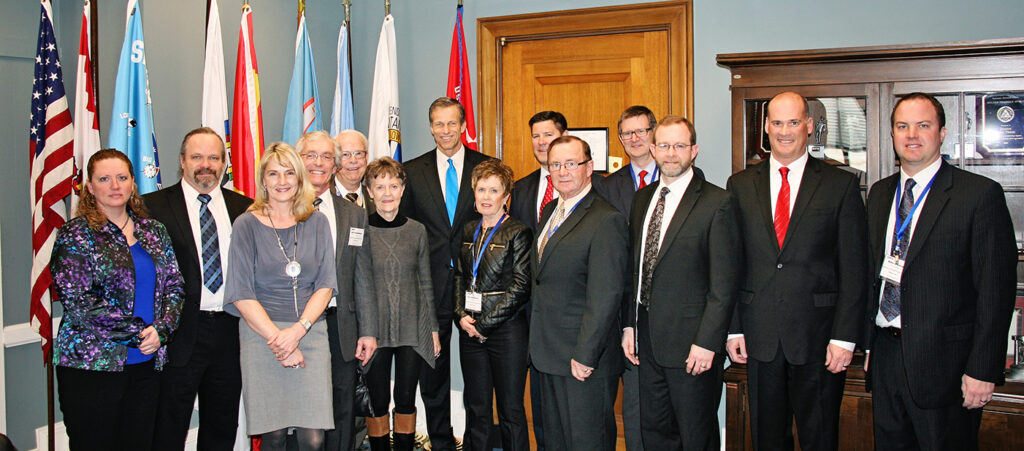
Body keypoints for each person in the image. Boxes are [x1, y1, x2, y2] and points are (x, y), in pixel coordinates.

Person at [864, 92, 1017, 450]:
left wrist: (983, 369)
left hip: (947, 368)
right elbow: (873, 276)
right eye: (902, 126)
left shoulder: (978, 195)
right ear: (892, 134)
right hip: (886, 358)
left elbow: (996, 291)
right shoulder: (880, 194)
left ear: (943, 132)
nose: (912, 135)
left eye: (923, 125)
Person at [726, 91, 868, 450]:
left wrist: (845, 337)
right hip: (760, 338)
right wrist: (733, 329)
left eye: (793, 122)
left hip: (820, 340)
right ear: (765, 128)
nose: (784, 131)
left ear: (808, 126)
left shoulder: (841, 184)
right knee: (767, 440)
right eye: (776, 122)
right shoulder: (740, 185)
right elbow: (732, 263)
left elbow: (854, 268)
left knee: (820, 439)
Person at [50, 149, 185, 450]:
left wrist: (161, 330)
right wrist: (136, 334)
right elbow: (79, 300)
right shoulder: (76, 234)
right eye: (105, 179)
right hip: (91, 367)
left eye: (122, 178)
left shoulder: (154, 231)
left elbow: (175, 286)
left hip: (147, 363)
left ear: (133, 184)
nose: (114, 186)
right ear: (90, 186)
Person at [621, 116, 742, 450]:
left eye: (679, 145)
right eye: (663, 145)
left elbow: (724, 283)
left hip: (693, 346)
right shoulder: (642, 199)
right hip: (646, 340)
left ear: (694, 150)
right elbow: (636, 269)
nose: (670, 153)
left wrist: (708, 342)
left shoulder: (717, 202)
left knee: (695, 436)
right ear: (653, 148)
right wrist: (630, 327)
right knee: (656, 433)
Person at [223, 143, 337, 451]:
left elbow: (326, 284)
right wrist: (281, 342)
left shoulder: (317, 221)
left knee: (313, 438)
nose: (282, 181)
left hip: (310, 333)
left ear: (300, 178)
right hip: (262, 338)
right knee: (272, 436)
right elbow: (241, 291)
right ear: (263, 181)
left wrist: (298, 332)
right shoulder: (246, 224)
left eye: (289, 173)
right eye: (273, 174)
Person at [145, 128, 253, 450]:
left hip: (230, 330)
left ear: (224, 163)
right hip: (179, 332)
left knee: (221, 426)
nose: (206, 165)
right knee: (168, 426)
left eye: (214, 157)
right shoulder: (153, 208)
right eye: (197, 157)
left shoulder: (245, 209)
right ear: (182, 161)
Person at [399, 96, 495, 450]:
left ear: (463, 124)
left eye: (452, 123)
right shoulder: (412, 171)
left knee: (478, 376)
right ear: (430, 127)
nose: (445, 131)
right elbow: (407, 233)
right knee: (434, 374)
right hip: (430, 289)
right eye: (438, 124)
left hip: (476, 287)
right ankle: (440, 442)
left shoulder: (487, 167)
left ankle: (476, 443)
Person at [530, 135, 628, 450]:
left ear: (589, 168)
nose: (562, 171)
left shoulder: (606, 219)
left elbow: (606, 295)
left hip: (583, 359)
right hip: (547, 354)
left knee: (588, 442)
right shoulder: (549, 214)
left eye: (571, 163)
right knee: (556, 441)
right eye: (555, 164)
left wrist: (585, 354)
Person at [296, 130, 378, 451]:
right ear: (299, 161)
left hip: (341, 327)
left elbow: (363, 275)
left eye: (327, 157)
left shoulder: (354, 213)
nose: (319, 163)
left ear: (336, 165)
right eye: (311, 156)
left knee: (342, 409)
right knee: (302, 413)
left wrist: (368, 331)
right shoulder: (284, 207)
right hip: (298, 326)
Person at [364, 157, 442, 451]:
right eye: (380, 186)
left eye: (393, 185)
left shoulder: (416, 230)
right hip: (375, 330)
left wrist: (432, 329)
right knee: (378, 398)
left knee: (407, 397)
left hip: (412, 327)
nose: (387, 193)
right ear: (369, 191)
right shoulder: (360, 230)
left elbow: (425, 282)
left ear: (402, 189)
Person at [454, 160, 532, 451]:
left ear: (506, 197)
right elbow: (460, 276)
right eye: (481, 189)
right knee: (477, 406)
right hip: (469, 331)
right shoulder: (468, 230)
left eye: (494, 190)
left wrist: (484, 325)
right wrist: (461, 316)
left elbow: (521, 287)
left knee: (511, 410)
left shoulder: (517, 232)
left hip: (506, 333)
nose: (486, 196)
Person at [595, 105, 660, 218]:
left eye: (640, 131)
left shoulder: (674, 176)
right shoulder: (608, 187)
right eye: (628, 133)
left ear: (654, 132)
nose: (634, 139)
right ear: (621, 139)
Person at [334, 129, 374, 214]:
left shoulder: (377, 199)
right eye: (345, 154)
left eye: (358, 153)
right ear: (335, 159)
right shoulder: (321, 198)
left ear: (366, 157)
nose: (353, 160)